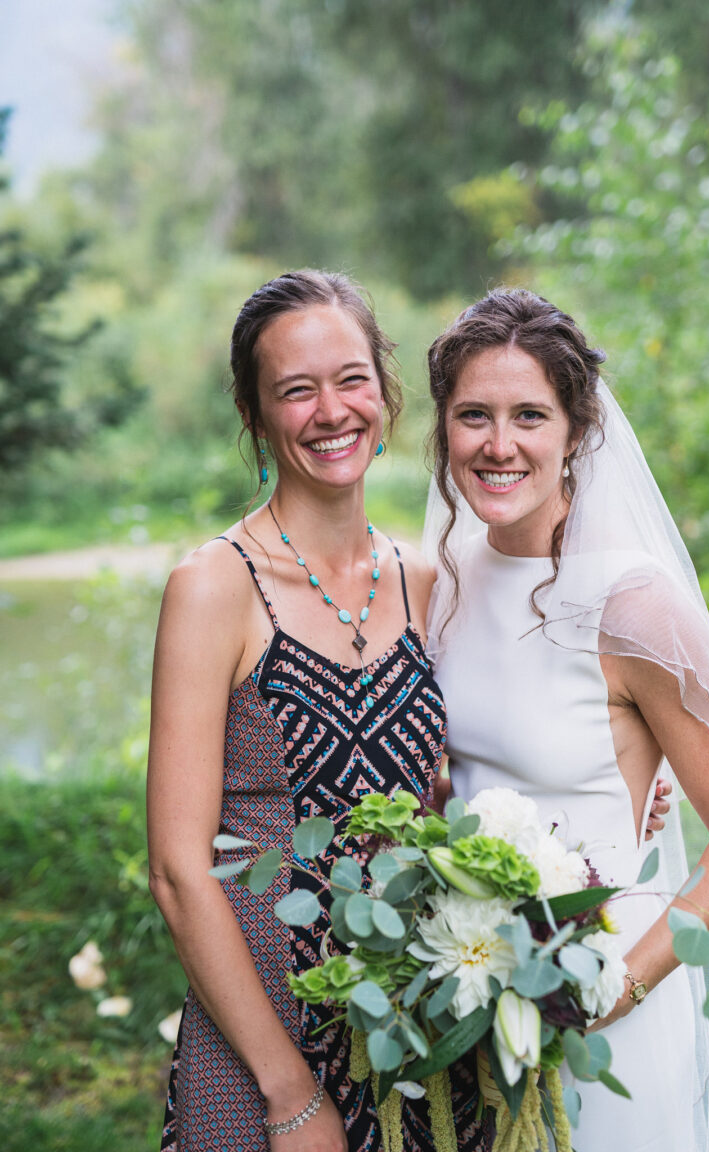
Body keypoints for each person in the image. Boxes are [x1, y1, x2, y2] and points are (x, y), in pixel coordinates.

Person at [147, 271, 486, 1152]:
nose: (331, 411)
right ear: (255, 415)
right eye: (296, 390)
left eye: (351, 379)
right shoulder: (215, 587)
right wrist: (289, 1095)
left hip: (415, 1026)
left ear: (386, 392)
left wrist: (626, 782)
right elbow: (178, 871)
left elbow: (454, 782)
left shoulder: (427, 581)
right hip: (261, 1031)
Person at [423, 287, 709, 1152]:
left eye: (530, 416)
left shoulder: (632, 602)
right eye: (474, 415)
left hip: (606, 1008)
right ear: (444, 427)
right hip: (474, 996)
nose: (499, 444)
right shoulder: (446, 578)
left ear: (577, 432)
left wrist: (615, 991)